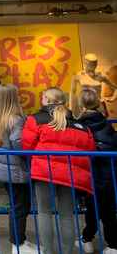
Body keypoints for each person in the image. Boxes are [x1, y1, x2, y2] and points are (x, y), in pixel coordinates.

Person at [22, 87, 96, 254]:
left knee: (44, 212)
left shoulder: (35, 119)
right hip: (70, 175)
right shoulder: (80, 125)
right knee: (67, 215)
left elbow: (27, 145)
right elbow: (90, 148)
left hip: (44, 172)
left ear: (47, 100)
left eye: (42, 97)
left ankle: (48, 251)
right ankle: (68, 251)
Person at [0, 84, 36, 254]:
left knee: (17, 204)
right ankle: (17, 244)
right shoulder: (16, 119)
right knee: (20, 206)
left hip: (1, 168)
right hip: (16, 168)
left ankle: (19, 241)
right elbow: (18, 143)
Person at [74, 88, 117, 254]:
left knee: (92, 210)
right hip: (109, 174)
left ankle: (87, 239)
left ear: (81, 105)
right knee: (108, 211)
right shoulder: (107, 124)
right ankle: (112, 244)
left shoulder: (80, 126)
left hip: (89, 175)